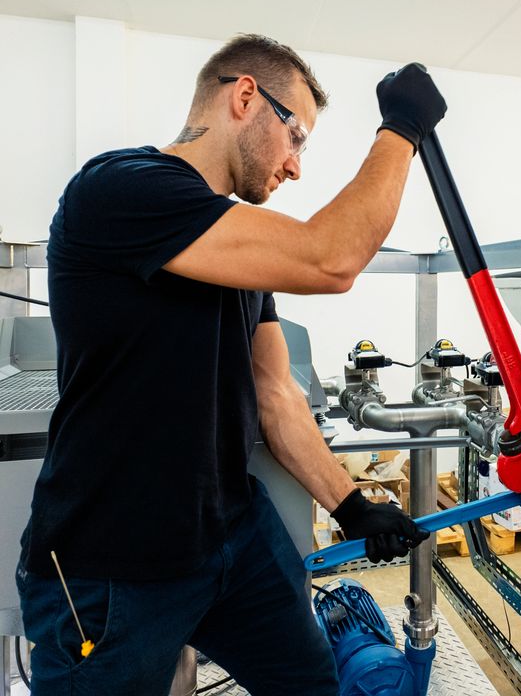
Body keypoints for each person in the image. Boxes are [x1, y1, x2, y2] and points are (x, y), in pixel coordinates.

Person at [16, 34, 447, 695]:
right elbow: (329, 259)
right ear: (246, 97)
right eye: (295, 136)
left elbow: (275, 395)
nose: (297, 166)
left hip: (232, 540)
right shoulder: (121, 188)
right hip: (112, 569)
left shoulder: (235, 248)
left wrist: (351, 503)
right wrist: (402, 129)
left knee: (312, 686)